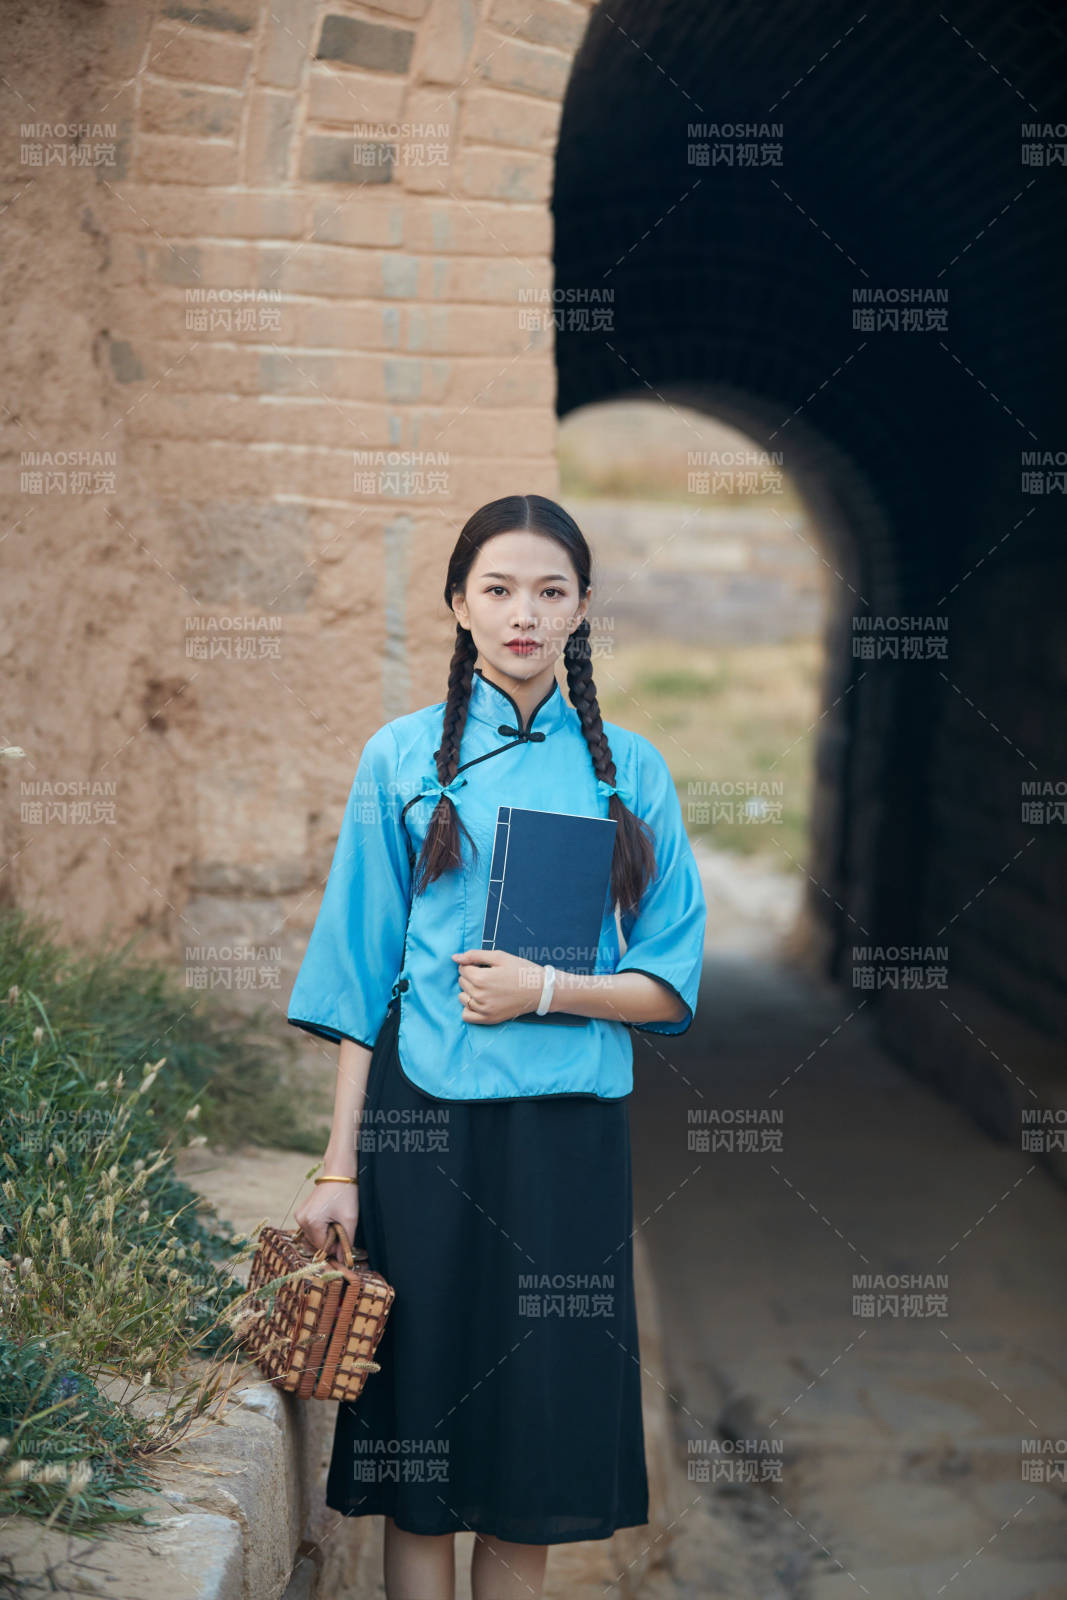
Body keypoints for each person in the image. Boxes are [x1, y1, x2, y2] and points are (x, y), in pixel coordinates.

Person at [291, 493, 707, 1600]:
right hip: (422, 1126)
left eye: (549, 590)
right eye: (499, 588)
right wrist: (338, 1167)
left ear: (581, 609)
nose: (524, 613)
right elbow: (357, 978)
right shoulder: (398, 759)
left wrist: (547, 989)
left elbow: (669, 979)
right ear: (458, 604)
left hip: (566, 1137)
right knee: (421, 1438)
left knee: (532, 1444)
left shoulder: (630, 773)